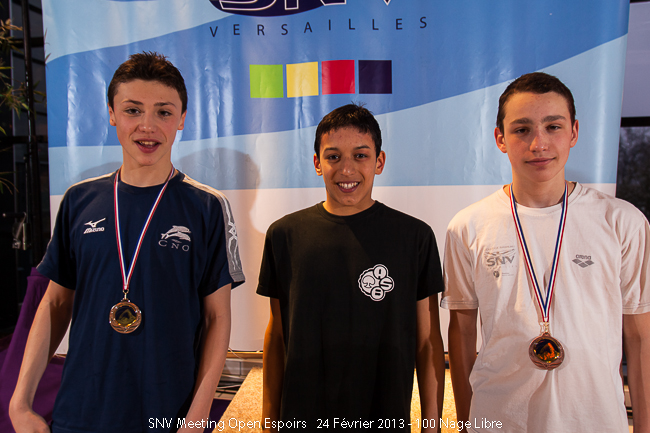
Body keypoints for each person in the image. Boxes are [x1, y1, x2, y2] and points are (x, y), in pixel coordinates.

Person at [9, 52, 245, 433]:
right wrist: (20, 402)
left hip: (167, 414)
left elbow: (217, 318)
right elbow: (54, 303)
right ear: (112, 114)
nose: (147, 127)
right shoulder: (79, 201)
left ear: (182, 118)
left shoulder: (207, 207)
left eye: (163, 112)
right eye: (133, 110)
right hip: (80, 415)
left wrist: (197, 416)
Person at [442, 72, 650, 432]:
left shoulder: (622, 221)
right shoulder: (468, 226)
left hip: (596, 421)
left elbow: (639, 335)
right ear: (500, 139)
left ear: (574, 132)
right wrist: (465, 425)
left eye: (553, 127)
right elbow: (461, 335)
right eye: (522, 129)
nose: (539, 143)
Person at [257, 103, 446, 432]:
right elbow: (277, 334)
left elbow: (427, 341)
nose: (347, 169)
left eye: (360, 155)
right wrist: (269, 418)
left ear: (379, 161)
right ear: (317, 163)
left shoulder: (414, 237)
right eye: (333, 157)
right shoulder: (284, 235)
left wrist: (432, 426)